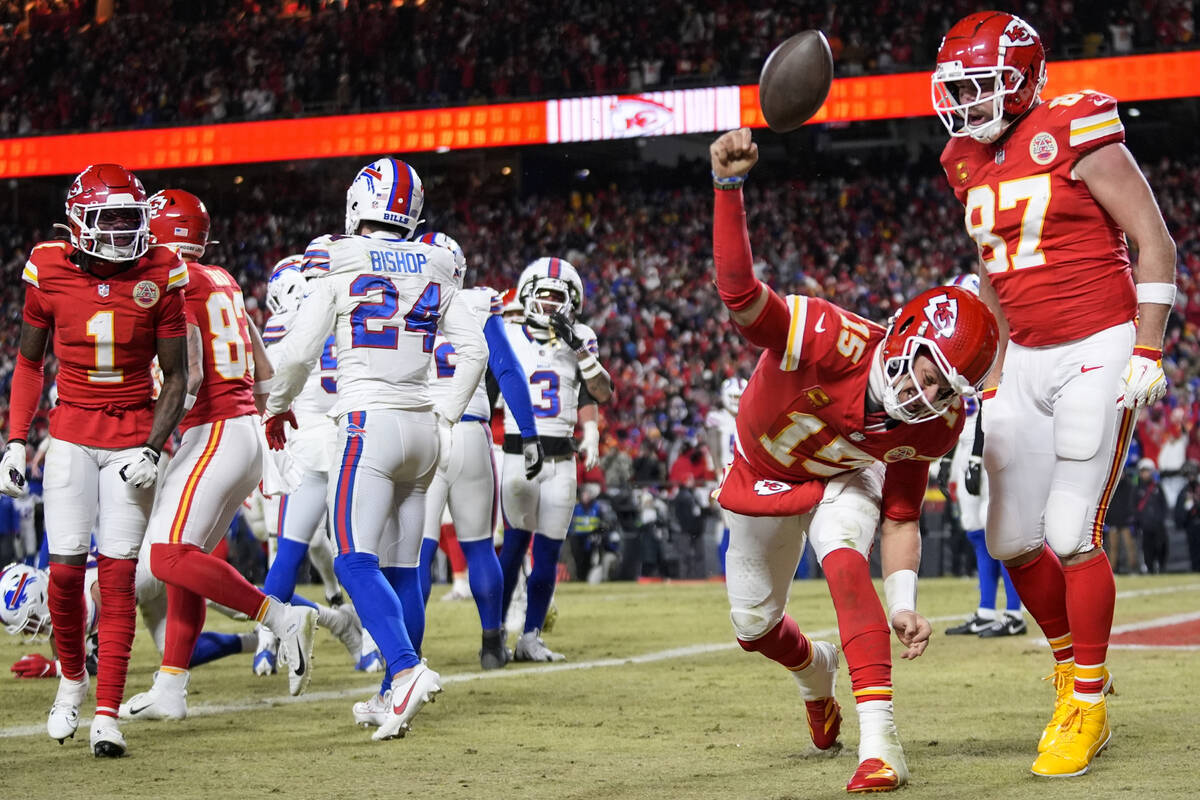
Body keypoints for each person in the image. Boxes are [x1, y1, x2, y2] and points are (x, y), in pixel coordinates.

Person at [710, 127, 1000, 793]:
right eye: (925, 370)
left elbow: (901, 515)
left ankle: (881, 744)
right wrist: (728, 187)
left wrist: (903, 601)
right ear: (903, 333)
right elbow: (741, 299)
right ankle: (819, 675)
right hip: (764, 473)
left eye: (940, 390)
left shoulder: (934, 426)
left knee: (843, 557)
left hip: (841, 474)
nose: (921, 394)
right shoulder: (830, 339)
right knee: (752, 626)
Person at [932, 11, 1177, 778]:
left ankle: (1090, 702)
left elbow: (1155, 240)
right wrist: (991, 372)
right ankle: (1071, 670)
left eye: (982, 85)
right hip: (1026, 357)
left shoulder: (1072, 125)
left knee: (1072, 530)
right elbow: (997, 274)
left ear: (1027, 79)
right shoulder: (962, 159)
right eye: (959, 89)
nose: (968, 103)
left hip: (1099, 345)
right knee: (1009, 536)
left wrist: (1147, 345)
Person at [264, 157, 487, 741]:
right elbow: (477, 353)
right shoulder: (439, 259)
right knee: (404, 568)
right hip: (424, 427)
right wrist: (446, 412)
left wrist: (275, 405)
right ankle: (393, 688)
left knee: (352, 559)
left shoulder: (337, 258)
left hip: (369, 422)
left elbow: (297, 354)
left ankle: (408, 669)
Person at [0, 164, 190, 757]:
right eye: (107, 219)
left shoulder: (161, 270)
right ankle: (71, 680)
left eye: (128, 219)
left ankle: (107, 712)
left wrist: (154, 449)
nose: (119, 231)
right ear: (79, 218)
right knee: (61, 574)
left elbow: (178, 376)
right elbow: (30, 364)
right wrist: (13, 440)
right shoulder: (48, 267)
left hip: (133, 434)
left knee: (116, 582)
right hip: (72, 434)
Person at [121, 189, 321, 723]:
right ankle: (171, 688)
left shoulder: (177, 281)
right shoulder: (224, 279)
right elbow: (261, 364)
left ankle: (277, 617)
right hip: (240, 430)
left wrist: (157, 438)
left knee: (164, 557)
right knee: (187, 565)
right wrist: (268, 419)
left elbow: (189, 374)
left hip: (211, 428)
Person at [415, 231, 543, 671]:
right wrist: (528, 432)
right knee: (479, 546)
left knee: (419, 551)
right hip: (469, 428)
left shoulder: (397, 297)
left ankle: (408, 654)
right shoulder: (475, 303)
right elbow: (506, 369)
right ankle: (492, 645)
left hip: (422, 430)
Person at [255, 256, 380, 675]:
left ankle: (266, 644)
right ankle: (371, 647)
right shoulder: (352, 307)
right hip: (351, 439)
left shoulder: (282, 322)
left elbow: (270, 383)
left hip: (304, 443)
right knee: (358, 557)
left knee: (287, 556)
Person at [497, 256, 613, 662]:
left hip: (562, 456)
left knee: (547, 552)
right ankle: (494, 632)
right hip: (516, 452)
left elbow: (600, 391)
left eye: (557, 297)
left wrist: (578, 349)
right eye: (542, 296)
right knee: (512, 546)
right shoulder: (507, 332)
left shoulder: (580, 335)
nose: (548, 305)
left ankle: (530, 635)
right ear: (527, 295)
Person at [939, 275, 1025, 638]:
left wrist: (976, 456)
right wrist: (946, 460)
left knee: (1001, 529)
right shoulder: (956, 349)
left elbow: (995, 405)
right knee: (975, 528)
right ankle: (987, 609)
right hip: (963, 441)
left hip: (994, 437)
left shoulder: (1002, 344)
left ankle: (1015, 613)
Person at [706, 376, 746, 576]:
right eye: (733, 396)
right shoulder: (717, 417)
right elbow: (713, 445)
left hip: (748, 475)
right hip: (726, 475)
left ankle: (744, 570)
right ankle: (727, 571)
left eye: (740, 396)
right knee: (729, 524)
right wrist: (716, 474)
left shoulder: (750, 414)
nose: (737, 400)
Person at [1133, 458, 1168, 574]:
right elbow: (1133, 506)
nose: (1145, 474)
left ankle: (1161, 568)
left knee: (1161, 546)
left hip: (1158, 524)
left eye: (1147, 471)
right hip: (1145, 525)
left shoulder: (1158, 488)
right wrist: (1138, 521)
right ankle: (1150, 569)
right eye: (1143, 471)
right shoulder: (1137, 489)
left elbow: (1164, 505)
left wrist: (1161, 519)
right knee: (1147, 549)